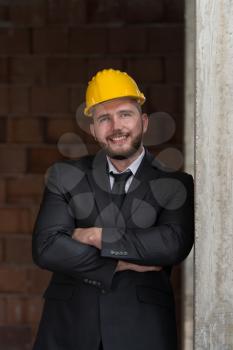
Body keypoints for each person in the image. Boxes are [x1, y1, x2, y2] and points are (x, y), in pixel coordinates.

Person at [32, 68, 194, 350]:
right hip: (69, 328)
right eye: (104, 118)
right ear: (93, 129)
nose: (116, 126)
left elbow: (171, 244)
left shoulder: (174, 183)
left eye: (125, 114)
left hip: (142, 330)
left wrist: (96, 236)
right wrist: (121, 261)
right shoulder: (64, 175)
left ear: (143, 122)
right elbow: (47, 247)